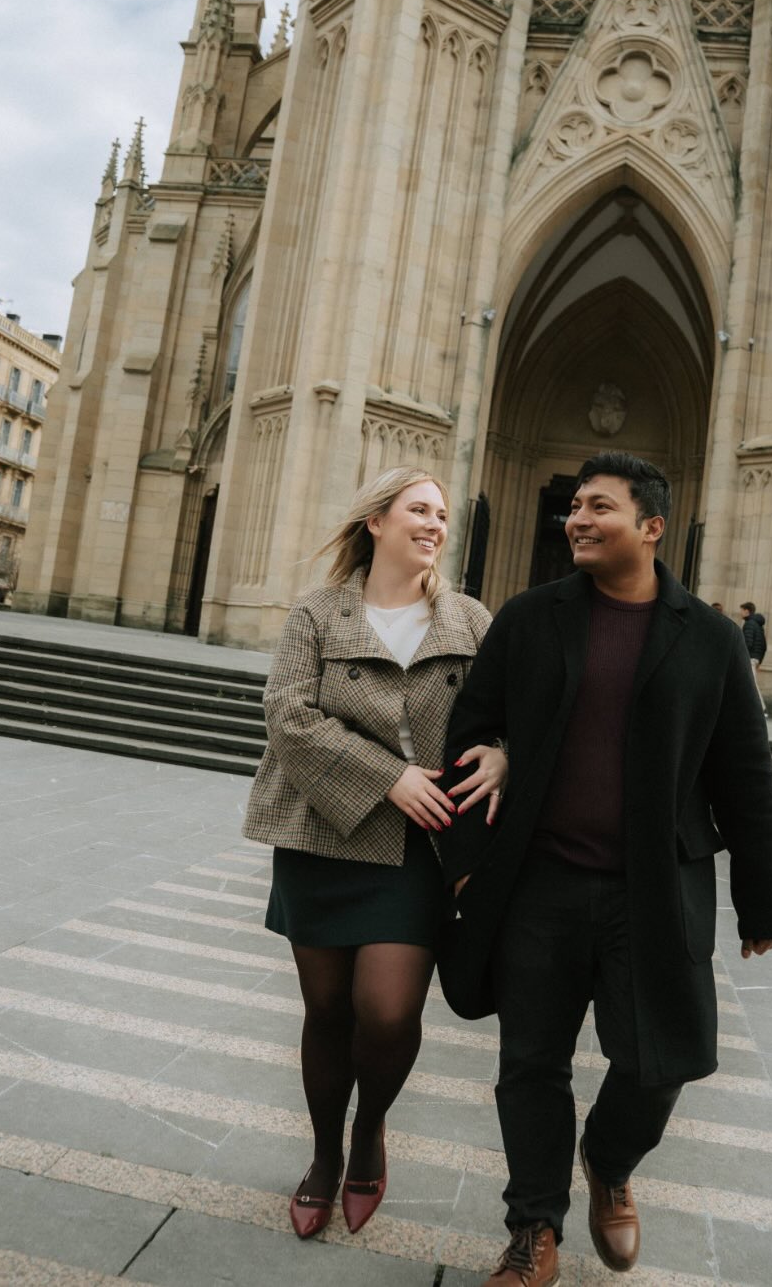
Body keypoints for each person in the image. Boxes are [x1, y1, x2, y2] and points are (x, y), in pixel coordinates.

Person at [437, 452, 772, 1287]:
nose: (577, 518)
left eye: (600, 507)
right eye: (575, 507)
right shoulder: (530, 618)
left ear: (652, 527)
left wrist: (761, 903)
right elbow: (468, 736)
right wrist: (464, 865)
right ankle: (534, 1231)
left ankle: (609, 1158)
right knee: (530, 1063)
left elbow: (745, 773)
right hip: (540, 886)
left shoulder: (708, 637)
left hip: (655, 891)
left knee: (662, 1061)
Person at [242, 467, 506, 1240]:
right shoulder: (318, 614)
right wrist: (387, 777)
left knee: (386, 1014)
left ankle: (371, 1129)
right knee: (326, 1012)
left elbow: (513, 709)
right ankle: (326, 1156)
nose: (434, 524)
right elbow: (287, 717)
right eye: (418, 510)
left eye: (443, 514)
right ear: (377, 523)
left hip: (416, 853)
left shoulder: (469, 620)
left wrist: (505, 755)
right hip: (322, 835)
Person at [739, 600, 768, 714]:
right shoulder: (758, 625)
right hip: (755, 658)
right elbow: (764, 646)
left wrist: (742, 656)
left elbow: (747, 643)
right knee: (749, 683)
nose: (740, 613)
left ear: (747, 611)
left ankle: (761, 708)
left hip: (749, 657)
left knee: (752, 684)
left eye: (741, 610)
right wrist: (759, 660)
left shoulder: (749, 624)